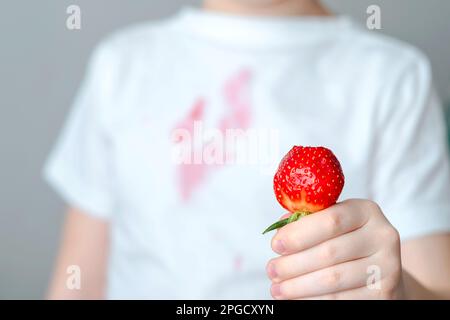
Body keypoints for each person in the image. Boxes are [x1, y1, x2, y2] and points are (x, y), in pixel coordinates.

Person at [44, 0, 450, 299]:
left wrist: (397, 291)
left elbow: (435, 287)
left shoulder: (395, 76)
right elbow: (77, 282)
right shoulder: (122, 63)